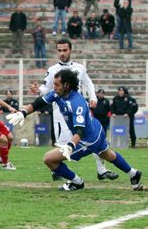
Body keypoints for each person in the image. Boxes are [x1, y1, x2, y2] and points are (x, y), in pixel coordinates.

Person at [8, 70, 142, 191]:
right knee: (108, 155)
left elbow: (79, 131)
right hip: (96, 129)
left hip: (87, 139)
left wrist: (70, 146)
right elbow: (39, 103)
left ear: (66, 85)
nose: (54, 87)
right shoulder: (58, 93)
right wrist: (22, 113)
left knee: (49, 159)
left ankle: (77, 182)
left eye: (57, 84)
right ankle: (133, 174)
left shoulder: (76, 103)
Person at [29, 38, 118, 181]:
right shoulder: (52, 70)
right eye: (59, 50)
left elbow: (88, 82)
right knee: (64, 144)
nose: (62, 53)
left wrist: (93, 97)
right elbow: (46, 89)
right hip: (60, 112)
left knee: (91, 136)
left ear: (70, 50)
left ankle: (101, 170)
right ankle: (62, 172)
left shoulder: (79, 68)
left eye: (65, 50)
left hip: (79, 109)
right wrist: (38, 90)